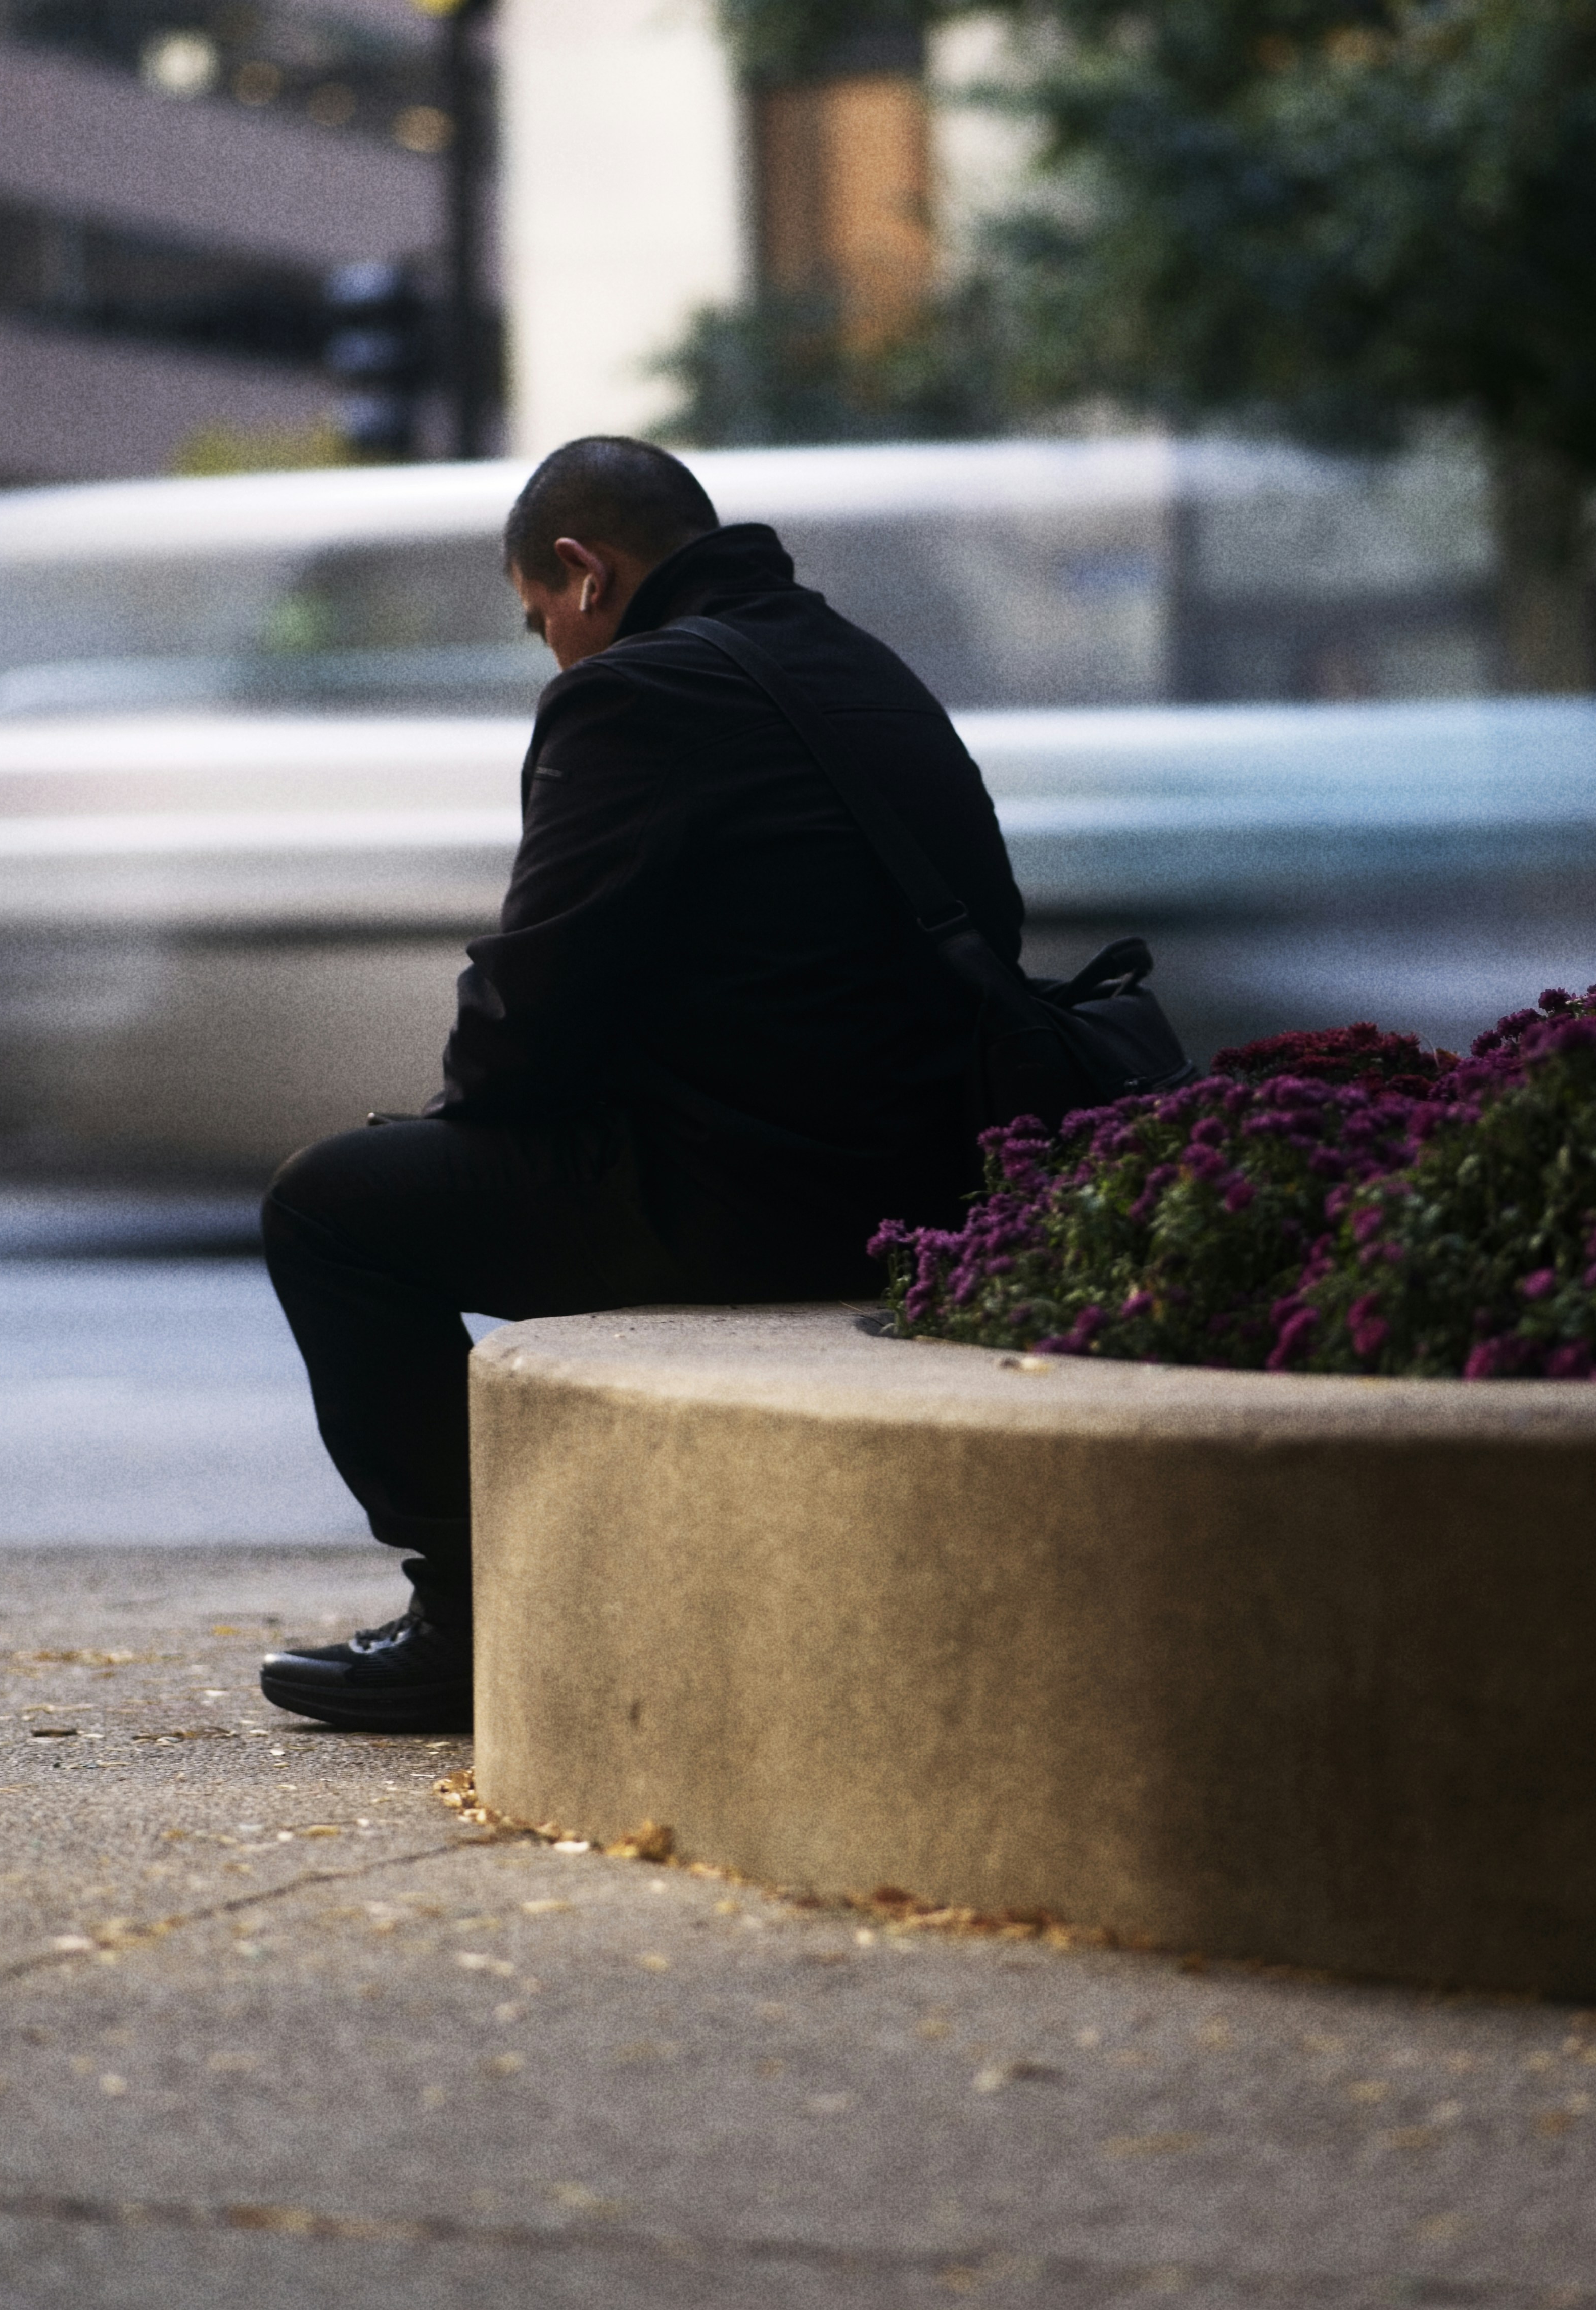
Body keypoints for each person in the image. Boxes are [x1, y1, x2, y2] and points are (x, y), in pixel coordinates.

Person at [257, 435, 1023, 1732]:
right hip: (932, 1165)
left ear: (582, 571)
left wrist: (459, 1118)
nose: (548, 646)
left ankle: (470, 1618)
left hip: (763, 1194)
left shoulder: (635, 694)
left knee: (331, 1207)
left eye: (536, 617)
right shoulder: (856, 665)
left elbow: (535, 996)